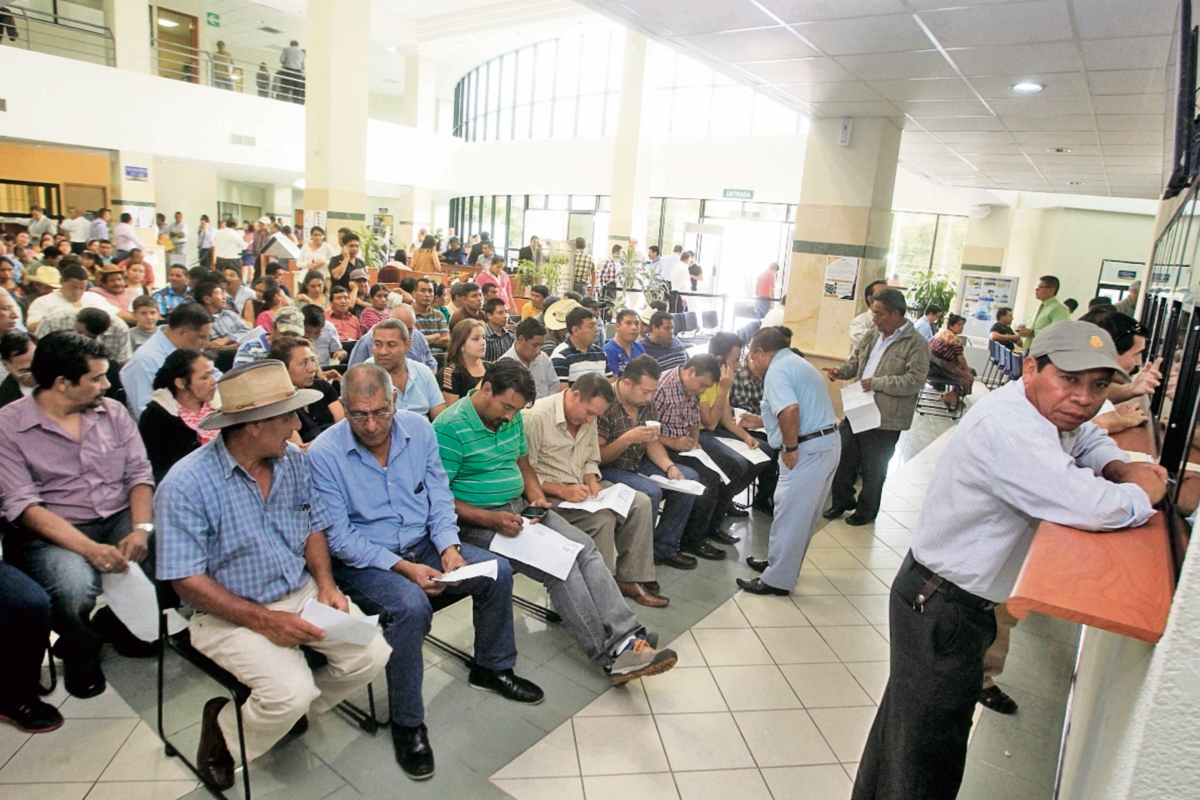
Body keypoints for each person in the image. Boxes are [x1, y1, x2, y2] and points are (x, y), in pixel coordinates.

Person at [852, 321, 1165, 800]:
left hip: (942, 599)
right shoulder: (1013, 429)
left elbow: (1085, 440)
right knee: (925, 761)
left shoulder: (1045, 413)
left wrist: (1120, 464)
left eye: (1099, 385)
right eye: (1071, 380)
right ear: (1033, 368)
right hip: (944, 608)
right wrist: (1143, 489)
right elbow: (1095, 505)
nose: (1084, 398)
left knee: (904, 738)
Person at [155, 361, 390, 789]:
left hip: (299, 593)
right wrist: (265, 621)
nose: (297, 423)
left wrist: (326, 586)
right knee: (290, 692)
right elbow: (184, 579)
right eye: (286, 416)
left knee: (371, 654)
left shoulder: (293, 463)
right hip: (228, 612)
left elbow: (313, 525)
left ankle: (277, 717)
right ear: (250, 426)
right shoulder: (185, 484)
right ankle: (226, 732)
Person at [309, 364, 542, 780]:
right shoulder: (325, 452)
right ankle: (408, 723)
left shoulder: (418, 429)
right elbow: (340, 538)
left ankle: (491, 667)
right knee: (411, 607)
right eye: (358, 414)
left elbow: (438, 494)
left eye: (380, 412)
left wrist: (449, 548)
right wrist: (405, 568)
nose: (370, 424)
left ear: (394, 401)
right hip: (367, 561)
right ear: (343, 407)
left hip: (422, 544)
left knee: (496, 572)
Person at [434, 361, 676, 685]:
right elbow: (439, 499)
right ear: (485, 388)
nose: (509, 416)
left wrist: (536, 497)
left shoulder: (511, 416)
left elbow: (522, 461)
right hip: (480, 521)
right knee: (560, 567)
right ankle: (611, 658)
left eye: (515, 410)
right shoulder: (449, 426)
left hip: (519, 507)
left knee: (585, 548)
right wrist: (491, 518)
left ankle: (628, 636)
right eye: (506, 407)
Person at [0, 332, 155, 699]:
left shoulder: (112, 411)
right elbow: (24, 505)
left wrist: (141, 529)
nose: (107, 384)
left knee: (169, 548)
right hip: (55, 529)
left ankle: (119, 626)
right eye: (97, 378)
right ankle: (80, 651)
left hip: (118, 513)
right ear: (62, 383)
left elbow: (138, 474)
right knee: (73, 588)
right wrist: (89, 549)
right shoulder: (8, 425)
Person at [523, 373, 663, 606]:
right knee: (602, 519)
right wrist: (562, 490)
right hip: (547, 495)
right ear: (574, 396)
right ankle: (601, 595)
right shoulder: (536, 417)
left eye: (596, 416)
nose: (590, 421)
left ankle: (630, 578)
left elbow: (590, 458)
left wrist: (591, 480)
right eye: (589, 413)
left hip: (580, 488)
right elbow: (525, 473)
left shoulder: (588, 416)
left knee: (639, 501)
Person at [737, 327, 840, 595]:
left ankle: (776, 581)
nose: (750, 361)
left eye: (750, 355)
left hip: (807, 449)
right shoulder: (795, 362)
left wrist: (790, 447)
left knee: (791, 515)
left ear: (761, 352)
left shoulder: (777, 370)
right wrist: (760, 421)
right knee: (799, 516)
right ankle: (778, 566)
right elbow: (795, 408)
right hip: (824, 443)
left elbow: (790, 410)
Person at [824, 288, 929, 526]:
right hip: (858, 406)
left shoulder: (916, 343)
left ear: (895, 314)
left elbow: (914, 380)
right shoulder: (872, 334)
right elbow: (855, 361)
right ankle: (842, 501)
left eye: (879, 314)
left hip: (886, 416)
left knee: (874, 467)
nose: (874, 318)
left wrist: (878, 383)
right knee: (843, 456)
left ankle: (866, 511)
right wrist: (840, 371)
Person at [598, 355, 702, 572]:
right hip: (609, 468)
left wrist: (669, 467)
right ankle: (637, 561)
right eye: (646, 391)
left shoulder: (645, 403)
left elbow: (652, 443)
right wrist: (628, 438)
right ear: (626, 384)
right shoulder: (605, 402)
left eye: (653, 391)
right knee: (651, 492)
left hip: (637, 462)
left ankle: (663, 547)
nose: (650, 397)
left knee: (688, 478)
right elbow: (598, 457)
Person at [652, 355, 731, 561]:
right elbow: (646, 430)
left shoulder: (691, 388)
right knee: (706, 479)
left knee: (724, 470)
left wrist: (694, 441)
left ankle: (707, 529)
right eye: (702, 384)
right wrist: (673, 442)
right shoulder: (664, 388)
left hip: (684, 446)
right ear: (690, 371)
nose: (703, 391)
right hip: (660, 446)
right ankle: (692, 539)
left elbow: (694, 421)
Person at [699, 332, 773, 524]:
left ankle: (726, 498)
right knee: (736, 462)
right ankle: (718, 508)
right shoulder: (705, 381)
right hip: (700, 433)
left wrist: (747, 438)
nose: (738, 365)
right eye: (735, 360)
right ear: (720, 360)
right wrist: (723, 389)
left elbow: (728, 421)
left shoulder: (724, 380)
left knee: (764, 450)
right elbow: (710, 423)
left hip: (715, 429)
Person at [122, 302, 214, 420]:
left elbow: (216, 385)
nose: (206, 343)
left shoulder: (193, 349)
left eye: (208, 337)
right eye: (201, 337)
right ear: (181, 332)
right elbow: (147, 414)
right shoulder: (144, 361)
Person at [138, 349, 219, 482]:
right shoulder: (155, 418)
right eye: (205, 377)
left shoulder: (220, 407)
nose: (213, 381)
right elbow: (157, 469)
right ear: (181, 383)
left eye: (212, 374)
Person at [268, 336, 343, 446]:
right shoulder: (277, 403)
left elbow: (344, 429)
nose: (312, 368)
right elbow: (299, 449)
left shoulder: (322, 387)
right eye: (303, 363)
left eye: (312, 360)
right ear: (282, 368)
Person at [370, 319, 445, 419]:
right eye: (378, 344)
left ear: (407, 346)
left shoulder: (423, 372)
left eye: (391, 345)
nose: (383, 351)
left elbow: (440, 418)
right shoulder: (362, 377)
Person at [26, 261, 117, 333]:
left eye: (82, 288)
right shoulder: (43, 302)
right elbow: (32, 327)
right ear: (62, 282)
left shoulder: (94, 298)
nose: (77, 292)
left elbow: (115, 317)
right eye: (73, 287)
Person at [348, 305, 439, 372]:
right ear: (388, 320)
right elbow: (353, 373)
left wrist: (427, 376)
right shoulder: (368, 340)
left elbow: (431, 363)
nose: (405, 333)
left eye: (409, 329)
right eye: (400, 327)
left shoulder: (418, 337)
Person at [550, 304, 610, 388]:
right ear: (575, 330)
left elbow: (608, 386)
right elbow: (562, 395)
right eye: (591, 326)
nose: (596, 330)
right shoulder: (560, 356)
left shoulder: (600, 353)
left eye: (596, 325)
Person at [498, 316, 558, 400]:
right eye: (535, 345)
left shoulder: (543, 358)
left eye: (541, 346)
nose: (538, 351)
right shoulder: (504, 365)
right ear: (521, 339)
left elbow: (554, 386)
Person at [235, 305, 306, 367]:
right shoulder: (249, 348)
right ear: (273, 326)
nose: (290, 339)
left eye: (295, 335)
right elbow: (240, 379)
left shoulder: (303, 351)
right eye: (285, 334)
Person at [928, 313, 974, 407]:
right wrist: (967, 368)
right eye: (959, 324)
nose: (961, 327)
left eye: (962, 325)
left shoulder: (940, 333)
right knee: (968, 376)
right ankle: (950, 396)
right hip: (942, 367)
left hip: (931, 366)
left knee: (961, 370)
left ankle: (952, 396)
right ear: (951, 325)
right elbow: (960, 357)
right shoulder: (954, 338)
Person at [1017, 274, 1072, 348]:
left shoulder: (1059, 309)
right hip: (1030, 350)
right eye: (1035, 288)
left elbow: (1059, 332)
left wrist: (1032, 333)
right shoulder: (1039, 308)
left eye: (1038, 288)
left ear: (1051, 290)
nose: (1036, 290)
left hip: (1043, 352)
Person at [441, 319, 487, 404]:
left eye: (483, 337)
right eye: (475, 339)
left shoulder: (490, 367)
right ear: (461, 345)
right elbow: (452, 412)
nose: (483, 342)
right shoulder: (451, 373)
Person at [195, 280, 250, 348]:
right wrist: (232, 346)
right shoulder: (198, 321)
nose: (225, 297)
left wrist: (227, 339)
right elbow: (207, 346)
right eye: (220, 294)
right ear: (207, 299)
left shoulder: (231, 315)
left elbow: (246, 332)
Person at [411, 276, 450, 354]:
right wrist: (436, 336)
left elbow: (446, 340)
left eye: (430, 291)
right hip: (417, 359)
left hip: (440, 359)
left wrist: (422, 341)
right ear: (414, 294)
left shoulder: (439, 315)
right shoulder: (408, 314)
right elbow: (412, 342)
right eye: (423, 291)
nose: (427, 294)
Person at [603, 308, 646, 377]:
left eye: (637, 324)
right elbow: (613, 382)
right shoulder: (608, 351)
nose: (634, 327)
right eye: (628, 323)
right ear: (617, 326)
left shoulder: (639, 348)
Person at [849, 279, 890, 349]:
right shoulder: (859, 321)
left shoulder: (898, 318)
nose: (887, 298)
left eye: (889, 295)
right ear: (870, 299)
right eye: (881, 295)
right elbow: (867, 341)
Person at [0, 331, 36, 408]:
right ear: (6, 365)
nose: (34, 374)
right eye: (25, 371)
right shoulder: (5, 400)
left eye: (37, 366)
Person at [482, 297, 515, 362]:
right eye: (500, 313)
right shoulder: (482, 336)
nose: (505, 316)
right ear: (489, 316)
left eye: (506, 312)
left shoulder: (510, 336)